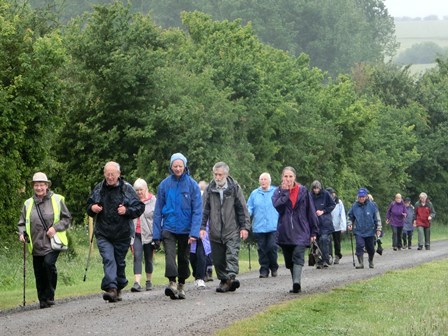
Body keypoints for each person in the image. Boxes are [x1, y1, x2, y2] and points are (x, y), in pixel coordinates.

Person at [87, 162, 145, 302]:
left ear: (118, 174)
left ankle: (118, 286)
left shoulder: (127, 188)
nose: (110, 177)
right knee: (108, 259)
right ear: (104, 174)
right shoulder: (99, 188)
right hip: (103, 233)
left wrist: (127, 211)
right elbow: (89, 205)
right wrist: (93, 208)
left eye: (113, 174)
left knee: (119, 262)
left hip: (122, 233)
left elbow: (139, 207)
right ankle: (111, 288)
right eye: (108, 174)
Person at [18, 172, 71, 309]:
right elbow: (22, 222)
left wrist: (55, 228)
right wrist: (22, 233)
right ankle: (42, 300)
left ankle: (49, 295)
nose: (39, 188)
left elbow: (66, 219)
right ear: (33, 186)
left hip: (52, 243)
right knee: (39, 272)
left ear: (47, 185)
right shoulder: (28, 203)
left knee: (48, 264)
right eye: (36, 185)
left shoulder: (57, 199)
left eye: (42, 185)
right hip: (35, 243)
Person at [153, 153, 202, 300]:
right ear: (171, 166)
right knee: (169, 255)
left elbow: (197, 211)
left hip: (186, 229)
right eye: (175, 166)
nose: (178, 168)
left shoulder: (192, 185)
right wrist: (156, 235)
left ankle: (181, 284)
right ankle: (172, 283)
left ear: (185, 166)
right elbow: (157, 211)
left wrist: (194, 233)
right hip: (168, 227)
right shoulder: (164, 185)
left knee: (183, 257)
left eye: (180, 166)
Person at [200, 162, 251, 293]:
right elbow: (204, 210)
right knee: (218, 259)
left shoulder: (234, 188)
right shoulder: (210, 189)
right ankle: (224, 280)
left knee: (232, 254)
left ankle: (231, 277)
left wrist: (244, 227)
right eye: (215, 174)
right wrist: (201, 227)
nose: (217, 177)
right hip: (215, 231)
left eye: (220, 174)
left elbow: (242, 208)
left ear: (226, 174)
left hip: (231, 229)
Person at [272, 167, 318, 293]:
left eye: (290, 176)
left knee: (298, 255)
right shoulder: (278, 192)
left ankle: (297, 282)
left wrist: (314, 230)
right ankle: (295, 283)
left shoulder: (303, 191)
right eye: (286, 176)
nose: (288, 179)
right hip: (285, 231)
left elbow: (311, 210)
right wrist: (286, 193)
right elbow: (277, 207)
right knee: (289, 260)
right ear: (282, 177)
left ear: (294, 178)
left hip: (301, 229)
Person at [247, 172, 279, 278]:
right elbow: (249, 207)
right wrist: (247, 215)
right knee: (262, 249)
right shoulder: (254, 193)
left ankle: (274, 266)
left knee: (272, 246)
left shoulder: (276, 191)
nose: (263, 181)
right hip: (259, 226)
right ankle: (264, 269)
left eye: (265, 179)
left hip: (273, 225)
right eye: (261, 179)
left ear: (269, 181)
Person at [130, 178, 157, 292]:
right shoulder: (132, 201)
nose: (139, 192)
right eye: (136, 190)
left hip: (149, 234)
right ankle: (137, 282)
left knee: (148, 258)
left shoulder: (154, 201)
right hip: (136, 233)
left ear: (146, 189)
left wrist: (157, 236)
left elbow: (157, 218)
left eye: (141, 190)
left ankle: (149, 280)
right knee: (137, 256)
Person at [347, 188, 382, 269]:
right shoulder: (354, 206)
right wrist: (349, 224)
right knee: (359, 246)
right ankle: (360, 263)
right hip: (359, 231)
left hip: (370, 231)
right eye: (360, 197)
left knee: (371, 249)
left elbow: (377, 218)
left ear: (366, 196)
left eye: (363, 197)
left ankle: (370, 260)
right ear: (358, 197)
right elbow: (349, 216)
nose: (361, 198)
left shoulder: (372, 205)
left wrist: (378, 228)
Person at [310, 181, 335, 269]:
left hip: (325, 222)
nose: (316, 190)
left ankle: (325, 259)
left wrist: (323, 211)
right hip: (315, 223)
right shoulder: (310, 196)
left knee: (324, 240)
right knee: (316, 242)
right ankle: (319, 261)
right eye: (314, 188)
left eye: (317, 188)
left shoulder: (326, 194)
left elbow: (332, 205)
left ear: (320, 188)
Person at [326, 187, 347, 264]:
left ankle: (337, 255)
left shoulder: (339, 202)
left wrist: (343, 226)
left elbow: (342, 214)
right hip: (328, 225)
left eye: (331, 194)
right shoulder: (326, 202)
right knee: (328, 241)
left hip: (337, 225)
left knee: (337, 242)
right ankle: (329, 255)